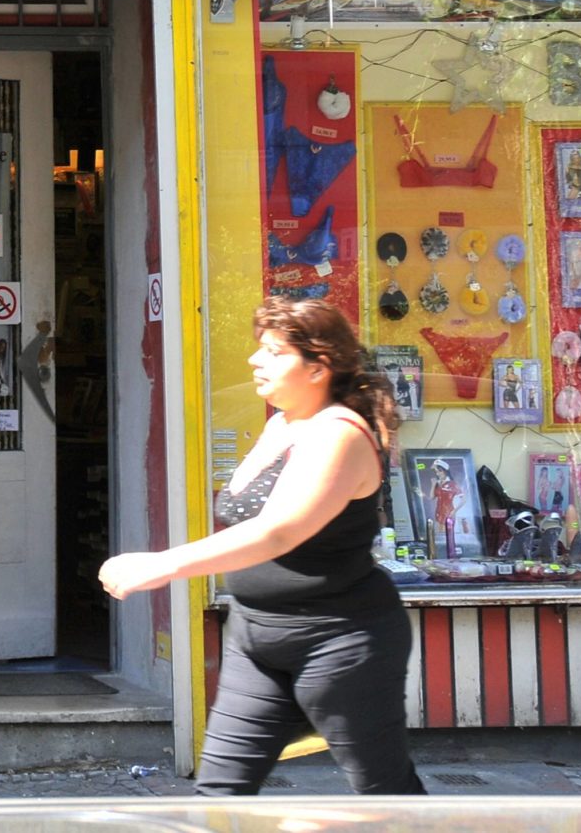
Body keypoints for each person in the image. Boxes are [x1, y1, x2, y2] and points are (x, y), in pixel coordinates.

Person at [96, 296, 423, 797]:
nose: (256, 360)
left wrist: (163, 565)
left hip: (340, 641)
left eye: (273, 352)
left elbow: (278, 532)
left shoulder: (339, 435)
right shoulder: (281, 424)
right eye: (259, 349)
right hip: (258, 638)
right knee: (220, 794)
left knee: (388, 798)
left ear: (318, 368)